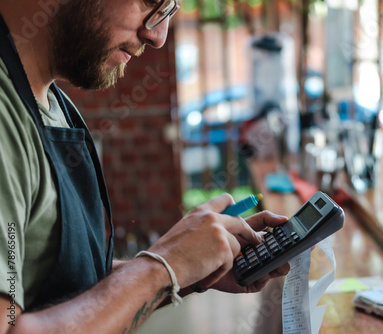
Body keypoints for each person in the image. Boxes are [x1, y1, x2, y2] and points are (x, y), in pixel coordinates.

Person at [0, 0, 290, 332]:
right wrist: (160, 270)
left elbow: (58, 285)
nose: (158, 36)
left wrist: (182, 267)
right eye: (152, 2)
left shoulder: (52, 103)